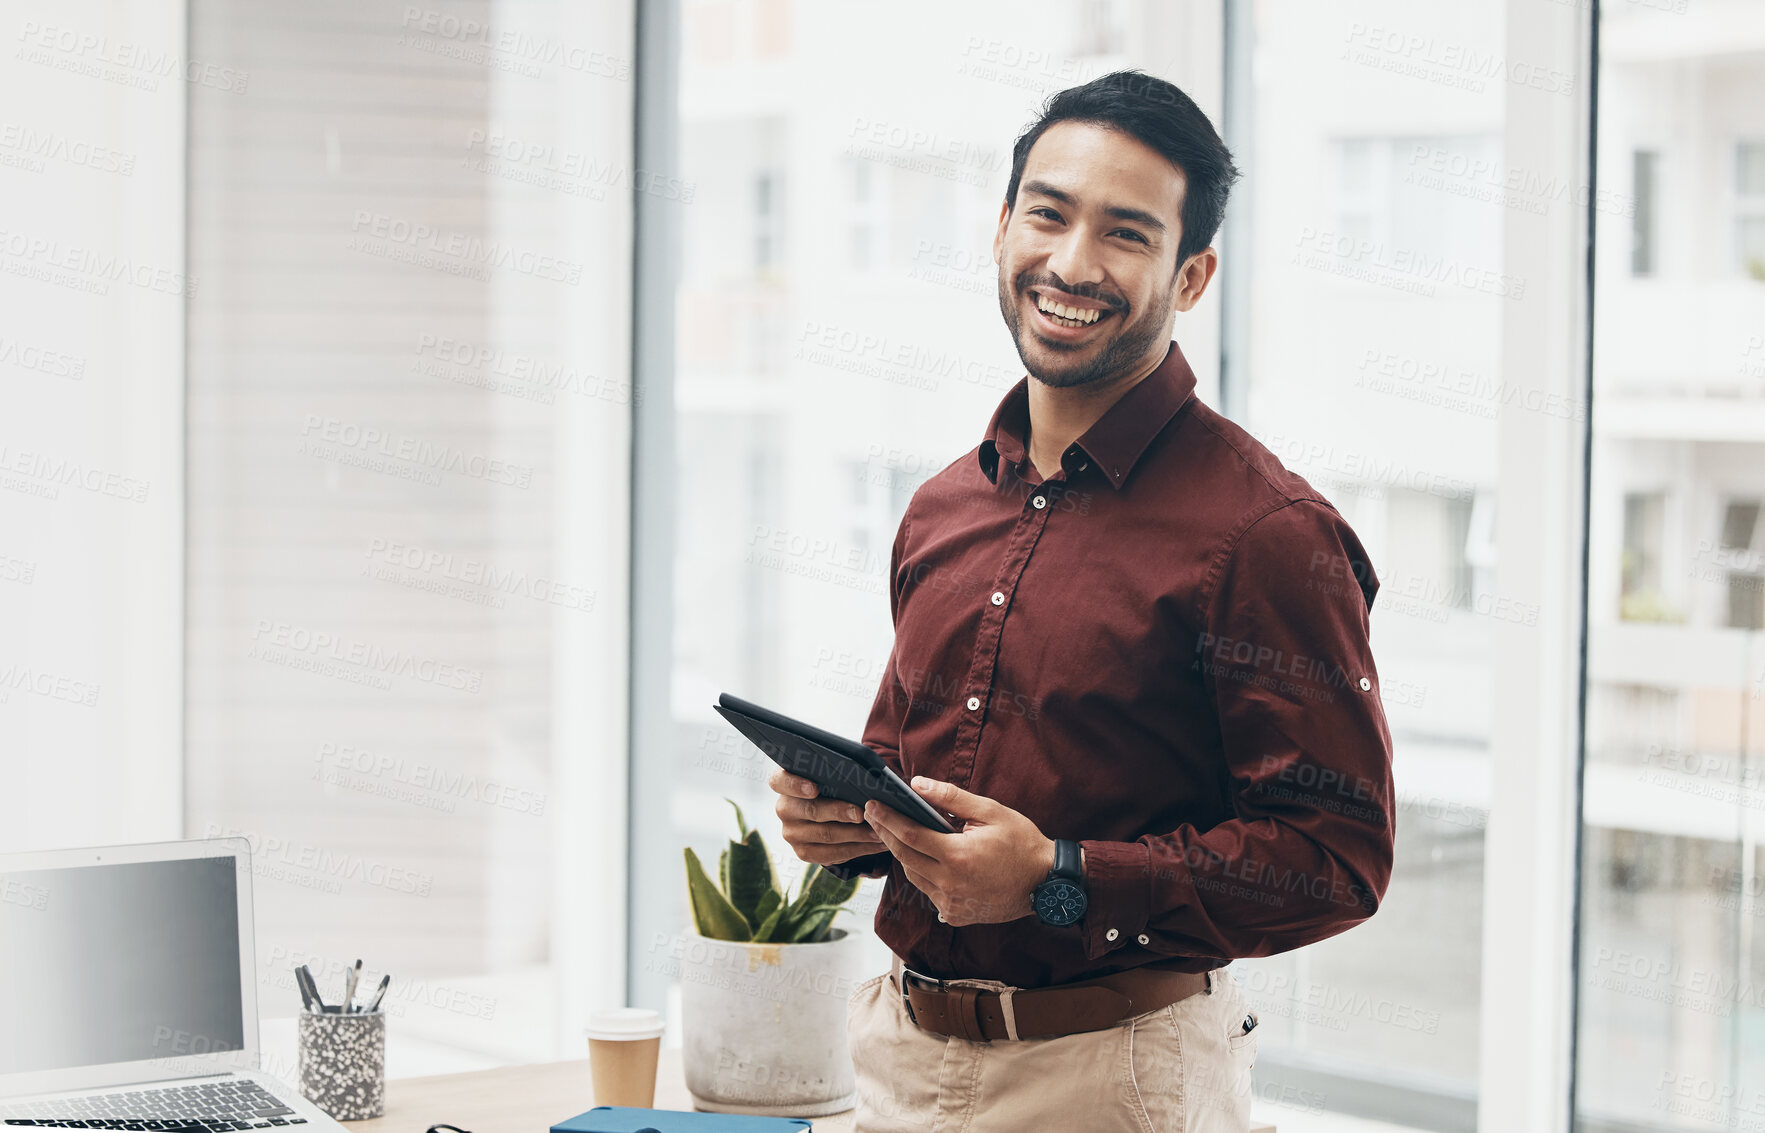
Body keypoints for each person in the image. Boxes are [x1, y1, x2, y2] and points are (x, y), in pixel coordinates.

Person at [770, 69, 1395, 1133]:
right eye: (1048, 214)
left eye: (1125, 233)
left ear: (1189, 275)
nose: (1069, 263)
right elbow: (921, 783)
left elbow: (1334, 860)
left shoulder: (1268, 533)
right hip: (895, 1057)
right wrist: (847, 819)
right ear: (1003, 225)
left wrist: (1057, 877)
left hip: (1115, 1079)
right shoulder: (941, 506)